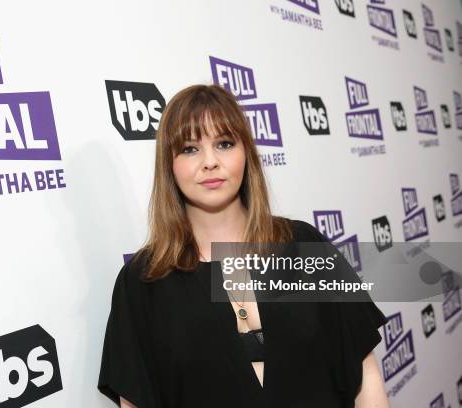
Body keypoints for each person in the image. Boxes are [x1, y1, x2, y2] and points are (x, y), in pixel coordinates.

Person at [97, 84, 389, 407]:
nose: (209, 162)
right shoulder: (142, 282)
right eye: (190, 149)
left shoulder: (304, 246)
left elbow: (366, 375)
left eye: (224, 143)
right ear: (169, 163)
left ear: (246, 152)